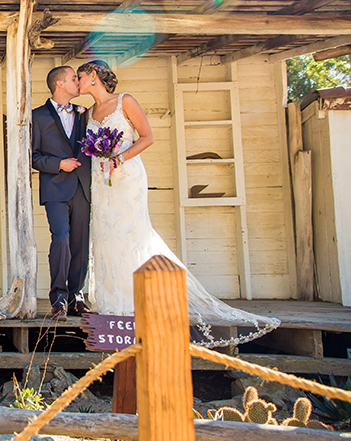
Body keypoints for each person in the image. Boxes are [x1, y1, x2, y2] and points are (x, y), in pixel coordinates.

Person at [76, 60, 279, 347]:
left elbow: (148, 137)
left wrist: (120, 157)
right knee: (105, 234)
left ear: (93, 76)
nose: (77, 81)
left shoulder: (125, 101)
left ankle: (137, 298)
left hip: (127, 176)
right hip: (101, 180)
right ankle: (112, 299)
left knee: (130, 233)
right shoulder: (89, 114)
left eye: (80, 76)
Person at [30, 66, 92, 321]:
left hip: (82, 186)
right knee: (61, 240)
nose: (78, 82)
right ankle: (58, 298)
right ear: (60, 84)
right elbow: (33, 157)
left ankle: (76, 296)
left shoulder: (84, 113)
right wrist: (58, 164)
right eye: (74, 79)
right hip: (55, 187)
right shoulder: (37, 116)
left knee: (80, 243)